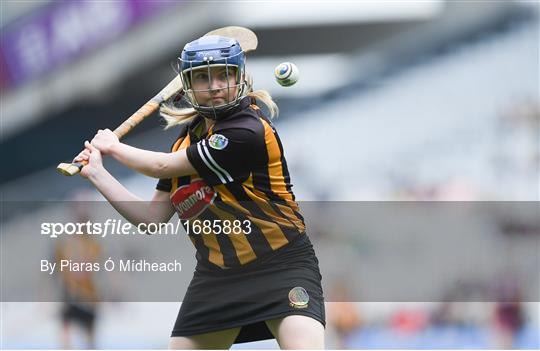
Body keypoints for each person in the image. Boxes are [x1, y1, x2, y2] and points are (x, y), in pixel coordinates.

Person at [74, 34, 325, 349]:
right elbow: (151, 218)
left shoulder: (246, 131)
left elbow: (161, 167)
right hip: (218, 277)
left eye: (224, 74)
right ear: (189, 87)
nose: (216, 85)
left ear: (240, 77)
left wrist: (114, 147)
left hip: (281, 266)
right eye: (204, 78)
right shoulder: (184, 142)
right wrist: (97, 173)